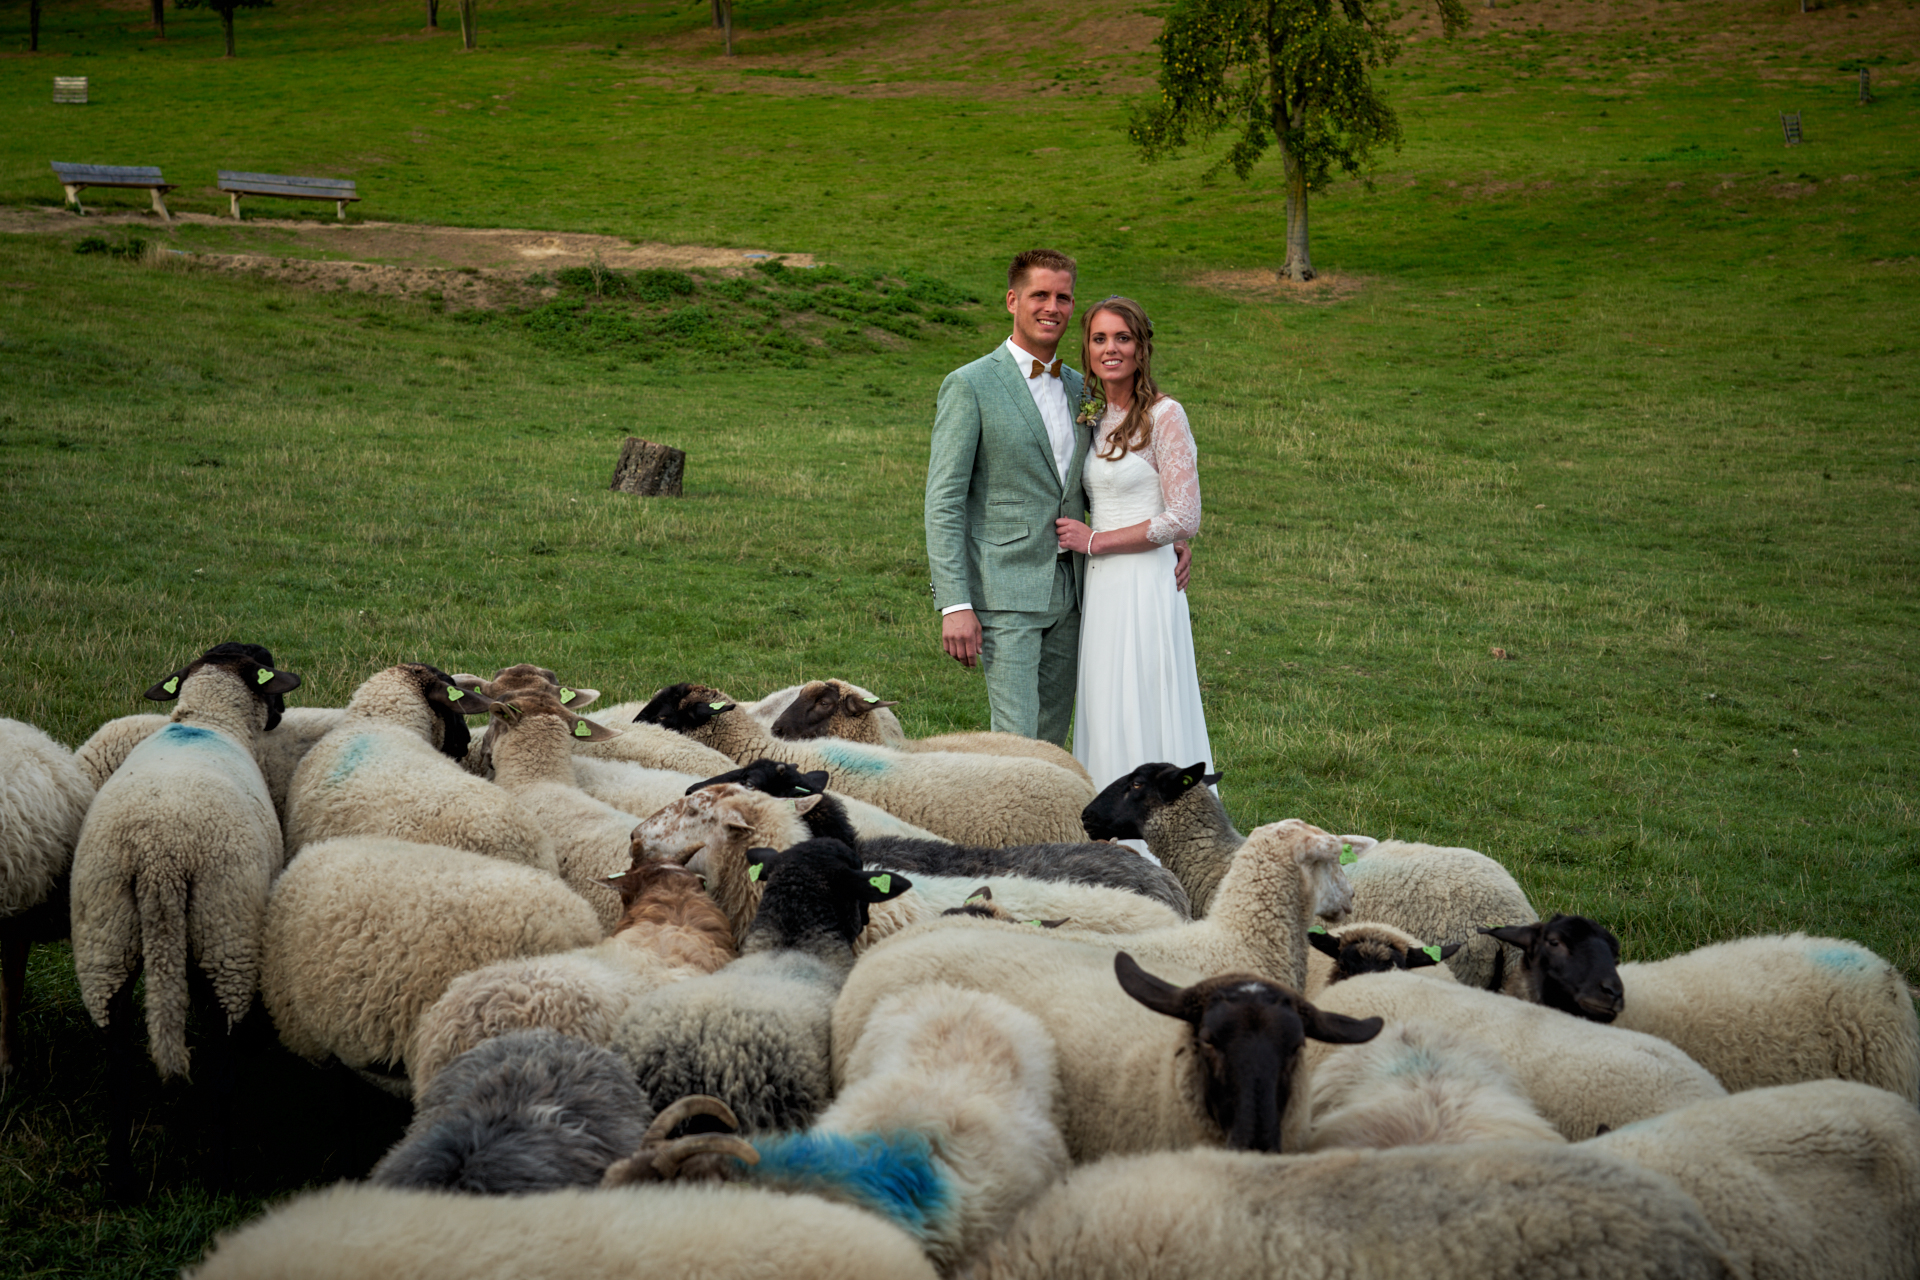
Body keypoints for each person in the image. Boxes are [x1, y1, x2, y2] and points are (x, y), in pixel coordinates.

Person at [924, 249, 1089, 747]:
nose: (1052, 307)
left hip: (1074, 594)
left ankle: (1050, 829)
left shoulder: (1083, 388)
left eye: (1062, 297)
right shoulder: (970, 384)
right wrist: (955, 603)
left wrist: (1168, 536)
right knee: (1015, 745)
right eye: (1040, 295)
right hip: (1004, 592)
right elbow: (944, 500)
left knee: (1052, 741)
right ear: (1013, 300)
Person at [1053, 296, 1213, 791]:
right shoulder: (1091, 414)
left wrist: (1096, 540)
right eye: (1099, 339)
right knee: (1106, 702)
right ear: (1087, 348)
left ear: (1142, 348)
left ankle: (1166, 825)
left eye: (1123, 338)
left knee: (1145, 695)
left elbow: (1185, 514)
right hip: (1101, 589)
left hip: (1145, 583)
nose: (1111, 349)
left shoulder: (1165, 416)